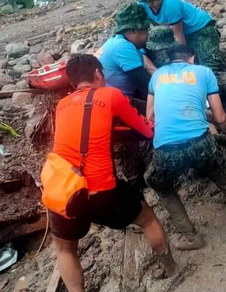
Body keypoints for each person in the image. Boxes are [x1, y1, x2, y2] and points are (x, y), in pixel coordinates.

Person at [48, 54, 175, 292]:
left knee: (65, 250)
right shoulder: (111, 95)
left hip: (63, 193)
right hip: (102, 192)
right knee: (147, 219)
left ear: (73, 82)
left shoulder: (61, 106)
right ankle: (170, 268)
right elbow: (146, 131)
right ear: (98, 74)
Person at [145, 44, 226, 250]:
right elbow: (221, 117)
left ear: (169, 60)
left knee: (160, 185)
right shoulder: (204, 72)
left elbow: (150, 117)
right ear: (192, 58)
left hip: (165, 148)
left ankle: (190, 236)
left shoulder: (157, 76)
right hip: (200, 142)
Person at [134, 0, 226, 108]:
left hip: (201, 29)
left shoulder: (170, 4)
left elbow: (179, 38)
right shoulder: (141, 6)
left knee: (209, 71)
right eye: (150, 0)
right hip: (184, 32)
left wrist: (182, 64)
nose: (154, 3)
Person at [96, 3, 156, 106]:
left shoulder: (121, 41)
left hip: (112, 97)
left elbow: (147, 65)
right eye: (146, 30)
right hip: (113, 102)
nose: (148, 34)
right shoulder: (122, 47)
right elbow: (144, 83)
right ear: (133, 30)